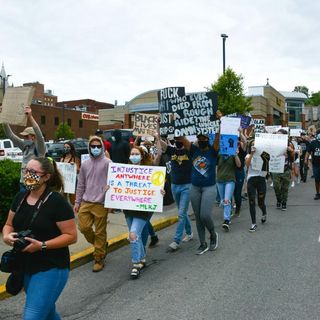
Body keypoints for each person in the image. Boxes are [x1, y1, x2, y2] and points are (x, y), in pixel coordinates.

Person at [2, 157, 77, 319]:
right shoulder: (20, 198)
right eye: (26, 171)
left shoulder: (57, 202)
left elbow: (71, 236)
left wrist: (42, 245)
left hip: (51, 267)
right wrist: (7, 236)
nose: (28, 175)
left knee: (33, 316)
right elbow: (8, 225)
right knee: (48, 313)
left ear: (46, 177)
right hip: (26, 265)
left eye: (33, 172)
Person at [106, 146, 164, 279]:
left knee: (133, 234)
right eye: (132, 154)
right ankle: (142, 258)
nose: (133, 156)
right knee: (135, 235)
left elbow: (157, 186)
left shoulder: (149, 170)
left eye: (136, 154)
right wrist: (109, 188)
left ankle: (136, 264)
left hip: (143, 210)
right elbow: (115, 184)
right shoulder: (124, 170)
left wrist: (160, 192)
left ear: (141, 156)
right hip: (128, 209)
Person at [74, 136, 112, 272]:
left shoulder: (108, 163)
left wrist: (110, 201)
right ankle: (100, 244)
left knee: (101, 231)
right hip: (86, 201)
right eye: (93, 146)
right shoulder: (85, 164)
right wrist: (77, 202)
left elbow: (113, 182)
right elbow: (81, 184)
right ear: (89, 148)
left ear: (102, 147)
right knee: (83, 227)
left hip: (101, 203)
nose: (95, 148)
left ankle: (98, 258)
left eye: (98, 146)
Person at [180, 131, 219, 255]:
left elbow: (218, 136)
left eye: (204, 138)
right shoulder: (193, 150)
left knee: (205, 215)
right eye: (199, 138)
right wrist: (172, 122)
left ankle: (213, 234)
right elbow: (181, 137)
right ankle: (202, 243)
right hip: (195, 187)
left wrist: (220, 121)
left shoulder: (213, 151)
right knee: (197, 217)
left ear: (208, 139)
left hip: (209, 187)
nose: (201, 140)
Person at [159, 136, 193, 251]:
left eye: (180, 140)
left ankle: (176, 240)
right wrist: (156, 135)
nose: (178, 142)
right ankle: (189, 233)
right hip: (175, 185)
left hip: (187, 186)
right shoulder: (172, 150)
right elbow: (162, 144)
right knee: (182, 212)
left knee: (181, 214)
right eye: (176, 141)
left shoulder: (189, 151)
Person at [2, 106, 46, 191]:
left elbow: (39, 134)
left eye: (26, 136)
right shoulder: (25, 146)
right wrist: (3, 117)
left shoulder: (40, 149)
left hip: (33, 182)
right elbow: (10, 135)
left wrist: (30, 117)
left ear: (33, 137)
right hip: (22, 182)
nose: (24, 138)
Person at [245, 141, 268, 232]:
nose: (255, 146)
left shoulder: (265, 155)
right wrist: (252, 153)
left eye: (256, 145)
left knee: (260, 202)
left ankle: (264, 212)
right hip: (251, 180)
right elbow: (247, 164)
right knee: (251, 201)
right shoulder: (248, 155)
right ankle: (253, 223)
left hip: (261, 180)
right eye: (253, 145)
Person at [216, 151, 241, 231]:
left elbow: (239, 165)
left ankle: (226, 220)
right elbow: (215, 166)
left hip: (230, 180)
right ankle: (228, 212)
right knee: (223, 200)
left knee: (227, 200)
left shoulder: (232, 152)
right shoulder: (219, 153)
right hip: (220, 180)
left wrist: (236, 154)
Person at [272, 129, 294, 211]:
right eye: (277, 135)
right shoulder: (273, 144)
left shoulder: (289, 144)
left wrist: (291, 151)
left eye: (279, 135)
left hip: (286, 168)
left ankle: (284, 202)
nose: (277, 136)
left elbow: (293, 157)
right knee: (276, 186)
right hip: (275, 168)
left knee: (285, 187)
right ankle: (279, 199)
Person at [305, 129, 320, 200]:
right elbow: (308, 151)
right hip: (316, 164)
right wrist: (306, 159)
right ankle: (318, 193)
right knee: (317, 179)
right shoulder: (313, 143)